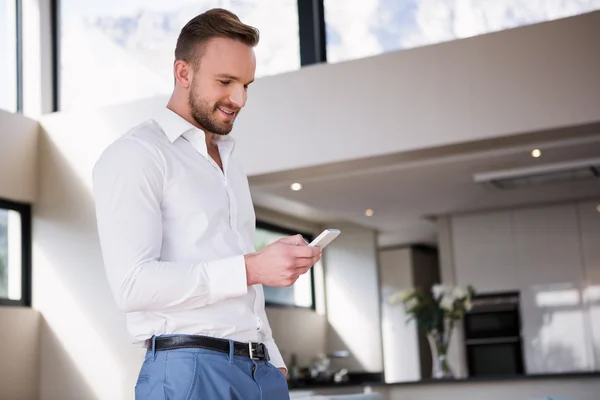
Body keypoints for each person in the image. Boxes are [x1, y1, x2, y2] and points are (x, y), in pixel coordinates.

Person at [92, 8, 321, 400]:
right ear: (183, 73)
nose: (239, 98)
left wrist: (273, 357)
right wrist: (252, 268)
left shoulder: (230, 163)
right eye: (226, 82)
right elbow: (132, 285)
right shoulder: (137, 155)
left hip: (259, 369)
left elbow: (240, 273)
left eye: (247, 84)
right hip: (189, 372)